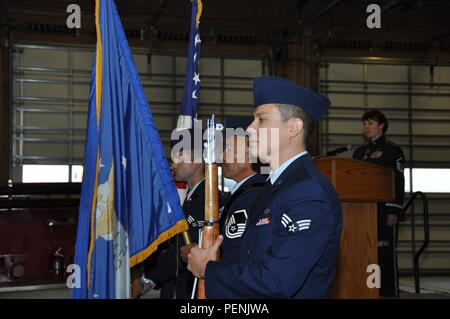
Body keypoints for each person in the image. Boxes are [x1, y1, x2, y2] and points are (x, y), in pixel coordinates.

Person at [187, 76, 343, 298]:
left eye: (262, 120)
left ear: (293, 127)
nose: (250, 129)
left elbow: (276, 281)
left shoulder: (308, 192)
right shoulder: (275, 186)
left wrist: (208, 269)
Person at [142, 128, 211, 299]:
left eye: (179, 158)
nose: (173, 165)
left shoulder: (206, 200)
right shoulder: (192, 197)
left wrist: (151, 278)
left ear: (197, 161)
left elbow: (180, 251)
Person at [352, 109, 406, 298]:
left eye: (371, 123)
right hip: (361, 212)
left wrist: (394, 210)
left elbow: (398, 181)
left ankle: (388, 294)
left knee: (383, 254)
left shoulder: (393, 150)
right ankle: (369, 291)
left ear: (382, 125)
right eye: (365, 123)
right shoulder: (359, 153)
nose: (367, 127)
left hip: (384, 211)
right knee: (365, 253)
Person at [218, 116, 267, 263]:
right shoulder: (245, 193)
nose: (222, 156)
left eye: (230, 149)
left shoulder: (252, 197)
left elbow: (232, 256)